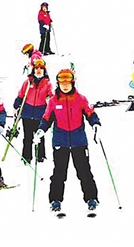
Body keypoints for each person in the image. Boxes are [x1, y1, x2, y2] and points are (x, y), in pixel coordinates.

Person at [35, 68, 101, 212]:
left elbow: (90, 114)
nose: (65, 86)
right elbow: (46, 118)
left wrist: (95, 123)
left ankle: (91, 198)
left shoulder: (81, 99)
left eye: (67, 83)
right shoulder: (53, 101)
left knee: (84, 172)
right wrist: (41, 130)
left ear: (72, 83)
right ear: (58, 84)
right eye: (62, 83)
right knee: (59, 173)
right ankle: (55, 200)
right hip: (60, 142)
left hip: (79, 142)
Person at [14, 58, 52, 163]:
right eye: (36, 68)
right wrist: (16, 106)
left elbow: (52, 96)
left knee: (39, 135)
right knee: (27, 137)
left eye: (41, 68)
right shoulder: (27, 82)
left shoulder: (47, 84)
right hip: (27, 112)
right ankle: (26, 156)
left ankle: (40, 156)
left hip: (40, 113)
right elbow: (21, 95)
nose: (38, 70)